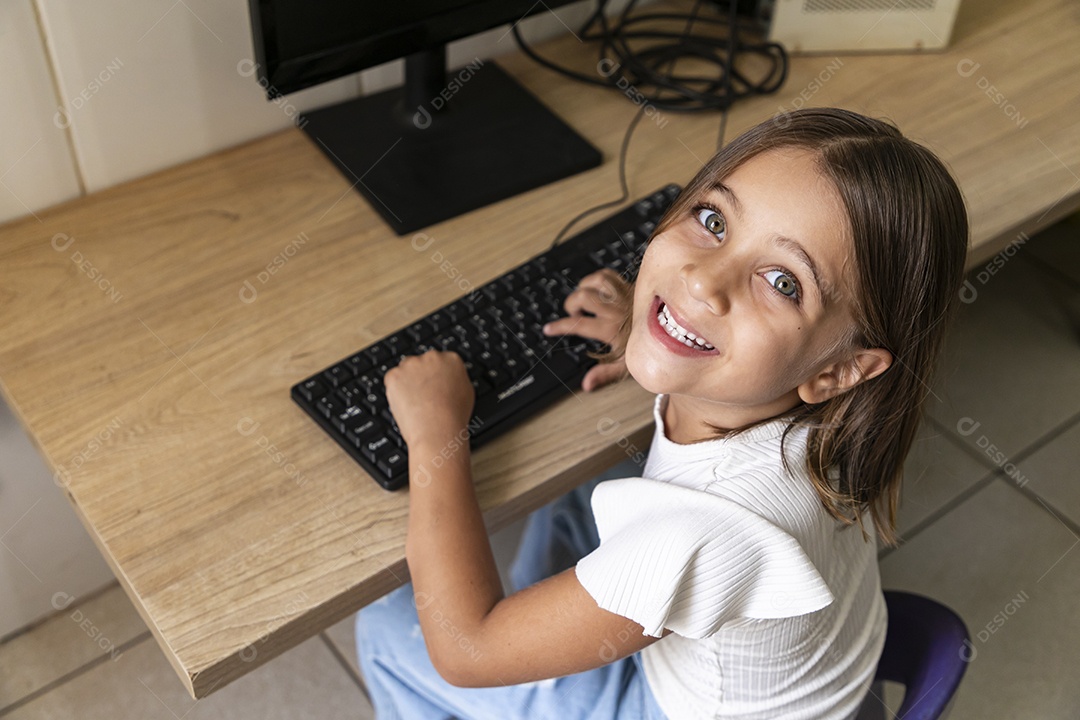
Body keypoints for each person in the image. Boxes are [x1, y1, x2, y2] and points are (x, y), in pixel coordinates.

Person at [354, 107, 969, 719]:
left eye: (782, 282)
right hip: (810, 690)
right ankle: (544, 628)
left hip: (665, 706)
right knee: (581, 498)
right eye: (713, 219)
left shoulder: (702, 532)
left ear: (838, 371)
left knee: (387, 627)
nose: (702, 281)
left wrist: (436, 435)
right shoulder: (845, 415)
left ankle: (524, 635)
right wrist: (655, 334)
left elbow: (466, 652)